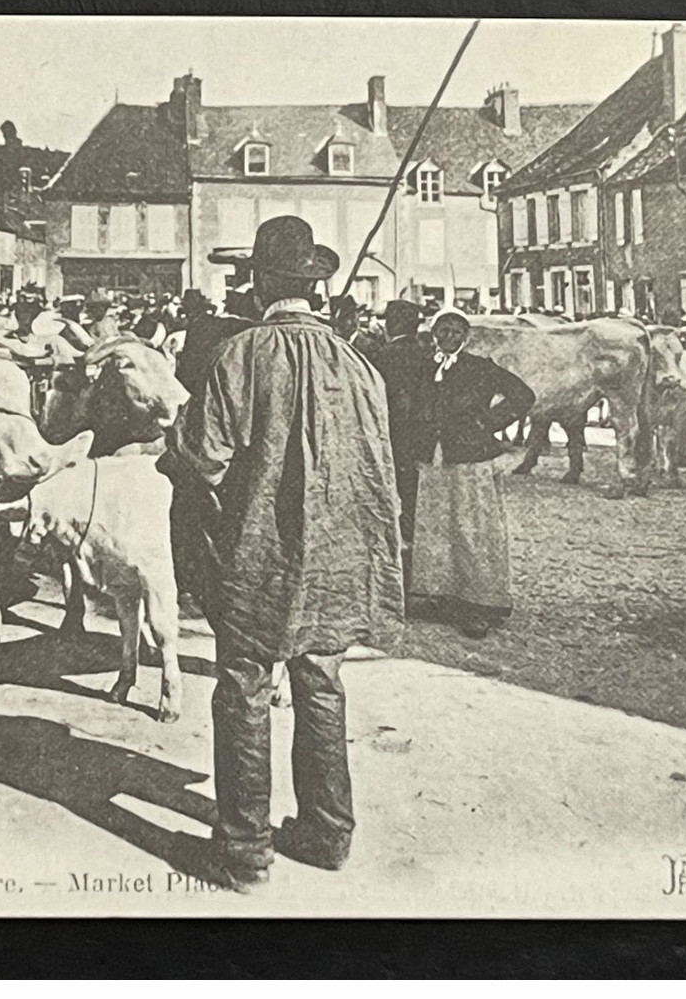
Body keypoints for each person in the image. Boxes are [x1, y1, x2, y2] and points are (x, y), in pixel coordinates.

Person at [162, 215, 403, 890]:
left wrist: (171, 447)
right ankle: (327, 834)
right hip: (337, 556)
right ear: (316, 287)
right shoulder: (359, 364)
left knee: (244, 688)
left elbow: (202, 460)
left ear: (261, 283)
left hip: (258, 555)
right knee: (321, 683)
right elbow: (378, 469)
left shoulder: (238, 356)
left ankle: (244, 851)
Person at [406, 307, 535, 639]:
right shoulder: (423, 368)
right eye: (443, 331)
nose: (449, 337)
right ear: (433, 335)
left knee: (472, 527)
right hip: (433, 460)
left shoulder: (480, 368)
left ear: (466, 336)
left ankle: (478, 604)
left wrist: (489, 423)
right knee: (438, 526)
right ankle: (443, 594)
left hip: (471, 458)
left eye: (456, 331)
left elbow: (523, 396)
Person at [368, 299, 433, 571]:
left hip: (390, 436)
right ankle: (417, 559)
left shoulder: (382, 356)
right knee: (415, 497)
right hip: (421, 438)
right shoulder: (428, 355)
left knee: (390, 497)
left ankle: (395, 561)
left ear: (392, 324)